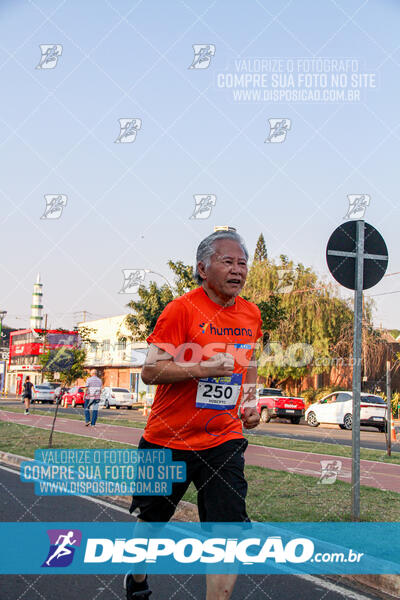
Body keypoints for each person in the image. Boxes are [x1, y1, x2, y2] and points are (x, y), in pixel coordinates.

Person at [126, 230, 262, 600]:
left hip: (223, 438)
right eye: (228, 261)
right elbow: (150, 372)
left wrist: (249, 402)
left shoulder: (251, 314)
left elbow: (248, 362)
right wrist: (203, 369)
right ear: (202, 268)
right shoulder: (180, 310)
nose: (238, 270)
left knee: (227, 530)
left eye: (242, 263)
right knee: (152, 521)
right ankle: (136, 578)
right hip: (167, 439)